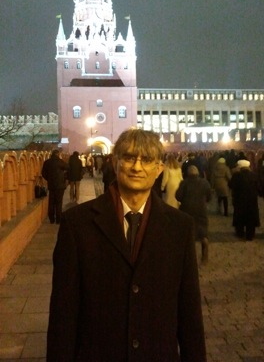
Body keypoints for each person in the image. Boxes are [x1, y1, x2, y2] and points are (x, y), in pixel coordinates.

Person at [47, 129, 207, 362]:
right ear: (115, 162)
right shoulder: (77, 224)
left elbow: (189, 311)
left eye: (147, 160)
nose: (137, 167)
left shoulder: (179, 226)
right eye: (130, 158)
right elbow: (63, 313)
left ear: (159, 169)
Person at [176, 165, 212, 264]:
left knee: (188, 232)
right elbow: (209, 196)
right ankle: (204, 256)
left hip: (187, 210)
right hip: (201, 210)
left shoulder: (184, 183)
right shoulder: (204, 182)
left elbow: (178, 196)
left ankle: (189, 258)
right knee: (203, 231)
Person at [229, 159, 260, 240]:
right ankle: (250, 235)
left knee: (240, 217)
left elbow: (231, 185)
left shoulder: (236, 176)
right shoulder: (254, 175)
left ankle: (240, 233)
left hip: (239, 200)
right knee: (251, 217)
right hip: (252, 200)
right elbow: (259, 188)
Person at [41, 149, 68, 224]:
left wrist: (49, 179)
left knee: (51, 202)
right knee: (59, 202)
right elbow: (67, 167)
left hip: (51, 185)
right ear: (58, 154)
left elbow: (43, 173)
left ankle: (51, 219)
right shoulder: (60, 161)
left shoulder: (47, 162)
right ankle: (58, 219)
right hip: (60, 186)